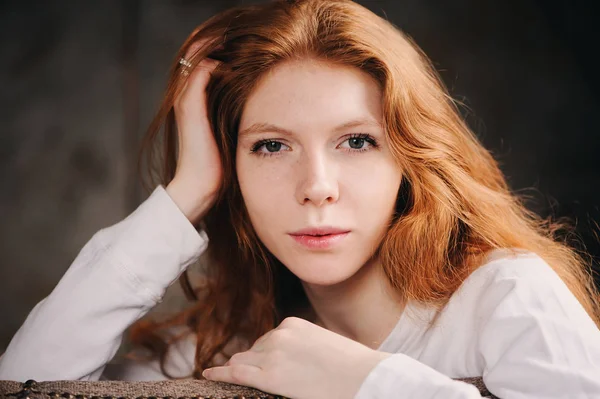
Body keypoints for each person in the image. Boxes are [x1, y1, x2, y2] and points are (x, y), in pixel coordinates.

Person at [1, 0, 600, 397]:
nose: (316, 187)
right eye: (270, 147)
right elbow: (27, 385)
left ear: (411, 157)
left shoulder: (507, 299)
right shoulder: (229, 344)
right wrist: (188, 193)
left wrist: (367, 384)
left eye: (357, 141)